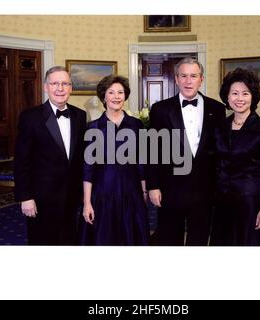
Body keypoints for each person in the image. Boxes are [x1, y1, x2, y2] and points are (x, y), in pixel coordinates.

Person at [147, 56, 226, 245]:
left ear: (201, 79)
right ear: (176, 79)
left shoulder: (218, 109)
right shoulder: (159, 109)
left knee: (199, 237)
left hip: (204, 189)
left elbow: (220, 152)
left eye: (193, 76)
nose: (188, 81)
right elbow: (151, 150)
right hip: (170, 188)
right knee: (168, 237)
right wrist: (153, 185)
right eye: (183, 76)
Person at [14, 66, 86, 245]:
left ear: (71, 88)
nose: (60, 88)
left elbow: (81, 158)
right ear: (46, 87)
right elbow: (21, 161)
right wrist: (25, 197)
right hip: (40, 199)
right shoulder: (30, 117)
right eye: (55, 83)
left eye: (65, 84)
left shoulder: (80, 115)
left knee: (69, 241)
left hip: (71, 197)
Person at [210, 68, 260, 246]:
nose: (239, 98)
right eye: (234, 93)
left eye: (245, 93)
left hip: (249, 202)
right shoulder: (220, 127)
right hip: (222, 201)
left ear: (253, 97)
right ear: (227, 96)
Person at [79, 75, 150, 245]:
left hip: (131, 192)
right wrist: (87, 203)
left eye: (120, 92)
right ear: (103, 96)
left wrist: (144, 191)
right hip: (103, 193)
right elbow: (88, 168)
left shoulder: (136, 125)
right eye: (111, 92)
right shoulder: (93, 127)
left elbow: (142, 162)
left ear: (125, 96)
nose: (116, 96)